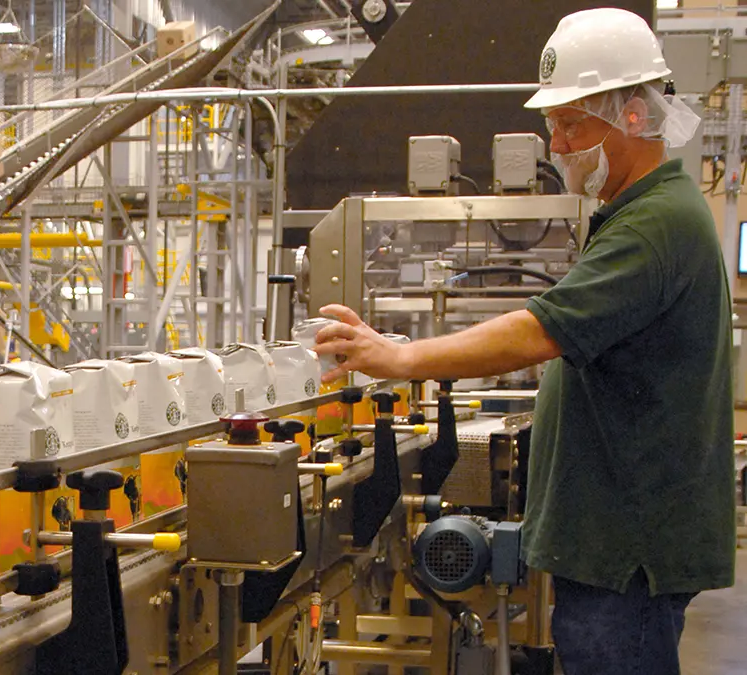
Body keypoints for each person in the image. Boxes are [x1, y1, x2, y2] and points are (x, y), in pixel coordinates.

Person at [313, 8, 735, 675]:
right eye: (552, 125)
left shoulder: (655, 225)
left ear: (633, 114)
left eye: (571, 124)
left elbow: (539, 329)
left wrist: (400, 357)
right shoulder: (642, 213)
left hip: (625, 553)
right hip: (616, 543)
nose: (557, 145)